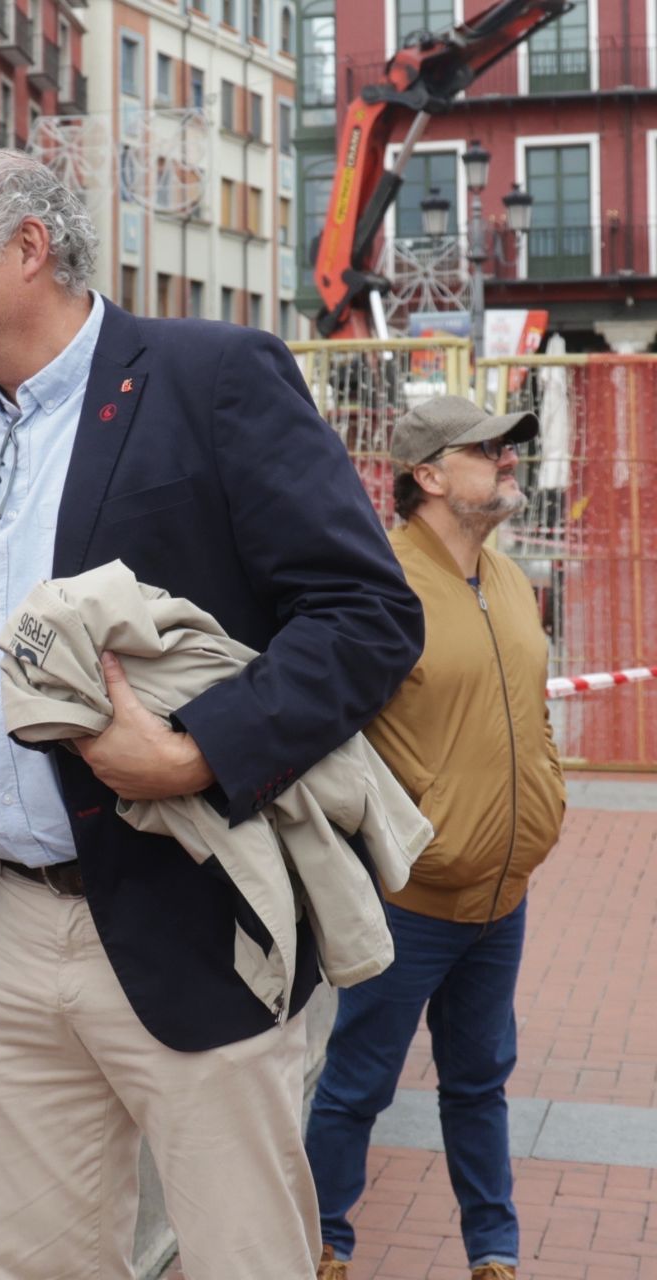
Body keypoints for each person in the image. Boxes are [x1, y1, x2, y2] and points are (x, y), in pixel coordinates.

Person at [0, 150, 425, 1279]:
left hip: (194, 912)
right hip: (1, 927)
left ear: (29, 249)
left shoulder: (214, 377)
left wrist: (197, 751)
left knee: (248, 1256)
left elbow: (365, 612)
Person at [306, 396, 566, 1280]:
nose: (507, 461)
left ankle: (493, 1252)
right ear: (427, 476)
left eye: (507, 449)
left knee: (480, 1082)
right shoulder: (382, 584)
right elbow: (328, 732)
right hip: (410, 899)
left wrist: (546, 798)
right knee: (356, 1086)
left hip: (505, 892)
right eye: (487, 449)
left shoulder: (505, 578)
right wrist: (406, 829)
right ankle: (323, 1243)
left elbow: (530, 709)